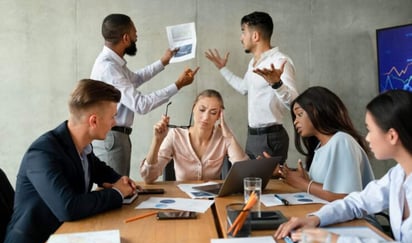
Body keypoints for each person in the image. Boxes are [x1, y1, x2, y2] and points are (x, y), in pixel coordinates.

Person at [1, 79, 138, 243]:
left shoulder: (82, 147)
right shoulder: (42, 153)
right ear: (93, 121)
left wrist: (122, 181)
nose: (115, 122)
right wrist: (117, 192)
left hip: (65, 238)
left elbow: (103, 172)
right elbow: (68, 208)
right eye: (113, 117)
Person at [274, 90, 412, 243]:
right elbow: (356, 202)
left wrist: (336, 242)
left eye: (370, 130)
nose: (366, 138)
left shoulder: (342, 141)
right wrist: (315, 219)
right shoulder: (397, 175)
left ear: (392, 136)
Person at [91, 13, 199, 176]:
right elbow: (141, 105)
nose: (136, 37)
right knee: (115, 191)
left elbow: (135, 79)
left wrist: (163, 61)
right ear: (126, 38)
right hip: (112, 139)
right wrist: (178, 85)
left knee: (119, 189)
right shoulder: (109, 68)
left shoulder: (113, 63)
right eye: (135, 33)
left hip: (116, 138)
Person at [205, 11, 298, 163]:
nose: (241, 38)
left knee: (267, 186)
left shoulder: (280, 61)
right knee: (251, 185)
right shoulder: (254, 63)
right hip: (253, 136)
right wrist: (223, 69)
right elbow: (243, 88)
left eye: (243, 32)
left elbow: (295, 104)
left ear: (255, 36)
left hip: (270, 137)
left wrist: (277, 83)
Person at [275, 86, 374, 201]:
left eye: (300, 114)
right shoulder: (320, 146)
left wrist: (303, 183)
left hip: (354, 219)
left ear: (316, 111)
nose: (295, 121)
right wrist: (282, 171)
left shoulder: (342, 141)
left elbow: (345, 198)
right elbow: (321, 184)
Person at [140, 89, 249, 183]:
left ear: (219, 116)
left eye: (213, 112)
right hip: (182, 200)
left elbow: (246, 174)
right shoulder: (175, 135)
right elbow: (148, 177)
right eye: (202, 110)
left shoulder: (223, 137)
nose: (206, 117)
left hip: (212, 201)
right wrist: (157, 141)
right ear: (193, 108)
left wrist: (229, 136)